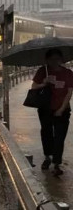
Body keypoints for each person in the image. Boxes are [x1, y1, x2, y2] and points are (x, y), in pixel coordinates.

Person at [31, 48, 73, 176]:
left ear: (61, 59)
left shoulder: (68, 73)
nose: (54, 62)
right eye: (51, 59)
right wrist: (44, 83)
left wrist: (61, 109)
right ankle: (47, 157)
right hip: (45, 109)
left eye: (57, 59)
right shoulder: (43, 71)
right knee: (46, 133)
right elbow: (34, 87)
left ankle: (56, 163)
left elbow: (69, 92)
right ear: (47, 60)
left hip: (62, 110)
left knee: (59, 137)